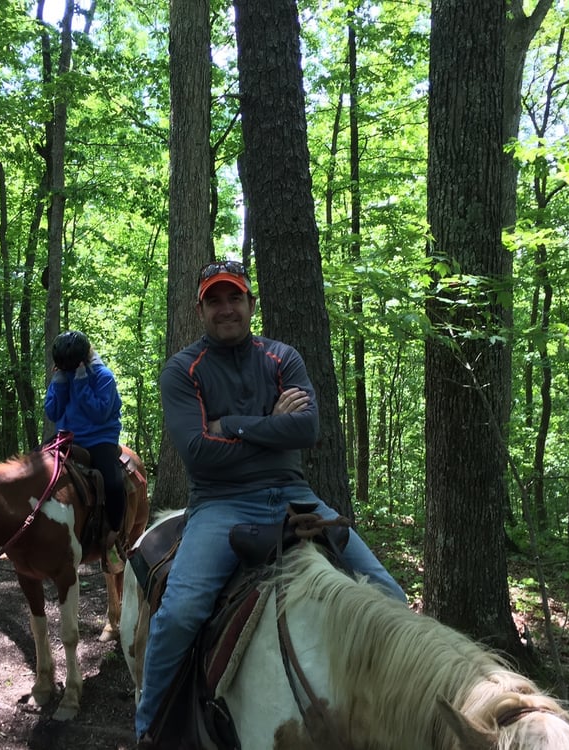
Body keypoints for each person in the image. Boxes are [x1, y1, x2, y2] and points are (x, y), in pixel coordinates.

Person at [134, 260, 408, 743]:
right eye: (214, 300)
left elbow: (306, 429)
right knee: (180, 612)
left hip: (298, 499)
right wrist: (269, 425)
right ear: (200, 310)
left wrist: (231, 424)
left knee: (391, 597)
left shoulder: (283, 358)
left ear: (250, 304)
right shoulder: (183, 370)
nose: (225, 309)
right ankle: (149, 730)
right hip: (222, 504)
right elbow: (198, 454)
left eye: (234, 297)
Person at [44, 330, 125, 532]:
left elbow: (99, 414)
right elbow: (53, 412)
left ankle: (114, 535)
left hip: (99, 438)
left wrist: (81, 383)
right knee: (33, 464)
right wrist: (61, 383)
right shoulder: (62, 376)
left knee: (114, 484)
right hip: (67, 437)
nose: (69, 371)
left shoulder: (103, 376)